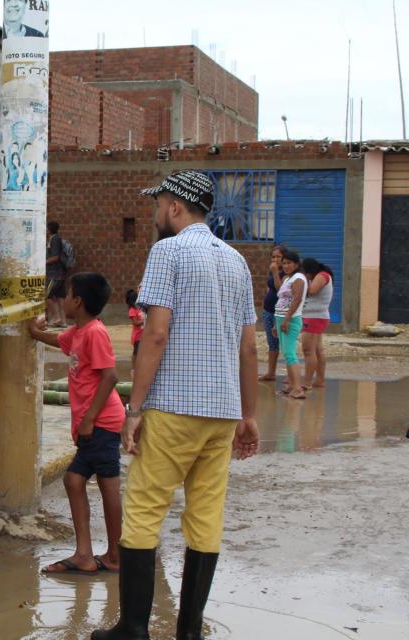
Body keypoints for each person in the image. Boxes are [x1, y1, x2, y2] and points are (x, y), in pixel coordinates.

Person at [92, 170, 259, 640]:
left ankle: (133, 628)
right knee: (205, 516)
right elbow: (249, 348)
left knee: (144, 509)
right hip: (222, 413)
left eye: (157, 203)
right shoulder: (236, 262)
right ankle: (189, 632)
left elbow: (157, 333)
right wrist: (249, 416)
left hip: (174, 406)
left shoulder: (167, 252)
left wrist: (135, 408)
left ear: (175, 207)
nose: (154, 212)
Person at [29, 273, 123, 576]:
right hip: (93, 425)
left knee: (107, 485)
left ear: (78, 302)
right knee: (75, 481)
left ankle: (114, 554)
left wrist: (89, 419)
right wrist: (33, 330)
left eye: (68, 294)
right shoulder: (78, 331)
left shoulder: (95, 332)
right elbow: (57, 339)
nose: (64, 298)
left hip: (102, 424)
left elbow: (110, 376)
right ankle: (87, 553)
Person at [274, 249, 308, 400]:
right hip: (281, 319)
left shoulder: (299, 278)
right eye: (284, 263)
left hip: (291, 320)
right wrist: (277, 323)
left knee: (290, 354)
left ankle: (298, 388)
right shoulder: (288, 278)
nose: (286, 266)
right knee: (287, 353)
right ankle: (291, 386)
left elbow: (297, 299)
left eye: (289, 263)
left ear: (296, 264)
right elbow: (281, 298)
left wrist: (287, 319)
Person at [301, 258, 334, 390]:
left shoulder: (322, 276)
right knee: (317, 350)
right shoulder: (321, 275)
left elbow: (312, 291)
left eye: (305, 273)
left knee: (308, 350)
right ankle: (319, 380)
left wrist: (300, 282)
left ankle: (307, 382)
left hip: (314, 317)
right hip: (316, 317)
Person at [258, 245, 287, 382]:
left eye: (278, 257)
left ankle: (291, 376)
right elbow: (270, 288)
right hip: (269, 310)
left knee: (286, 344)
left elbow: (280, 289)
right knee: (272, 343)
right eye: (273, 257)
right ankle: (271, 372)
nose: (275, 260)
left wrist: (275, 273)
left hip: (281, 313)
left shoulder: (287, 274)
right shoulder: (273, 271)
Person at [46, 221, 69, 327]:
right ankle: (63, 321)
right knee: (60, 297)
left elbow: (55, 257)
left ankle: (56, 317)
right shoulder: (56, 239)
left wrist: (43, 262)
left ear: (49, 229)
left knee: (46, 295)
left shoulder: (54, 240)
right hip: (60, 274)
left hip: (54, 274)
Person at [126, 289, 145, 375]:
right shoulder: (132, 310)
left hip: (143, 335)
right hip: (138, 336)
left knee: (142, 352)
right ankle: (133, 369)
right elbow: (135, 322)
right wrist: (145, 321)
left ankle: (140, 367)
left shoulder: (139, 308)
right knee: (136, 353)